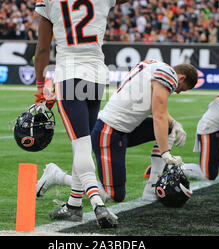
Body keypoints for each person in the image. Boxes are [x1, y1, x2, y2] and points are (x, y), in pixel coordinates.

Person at [33, 0, 137, 228]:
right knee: (85, 145)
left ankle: (98, 205)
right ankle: (74, 205)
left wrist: (41, 85)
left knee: (80, 146)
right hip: (97, 76)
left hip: (70, 75)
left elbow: (43, 49)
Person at [36, 61, 198, 204]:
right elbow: (159, 115)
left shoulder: (155, 66)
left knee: (169, 128)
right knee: (113, 195)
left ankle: (152, 187)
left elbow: (155, 107)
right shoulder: (167, 75)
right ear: (181, 78)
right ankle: (57, 176)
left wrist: (174, 123)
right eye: (181, 89)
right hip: (109, 132)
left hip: (124, 129)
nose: (177, 92)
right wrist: (165, 152)